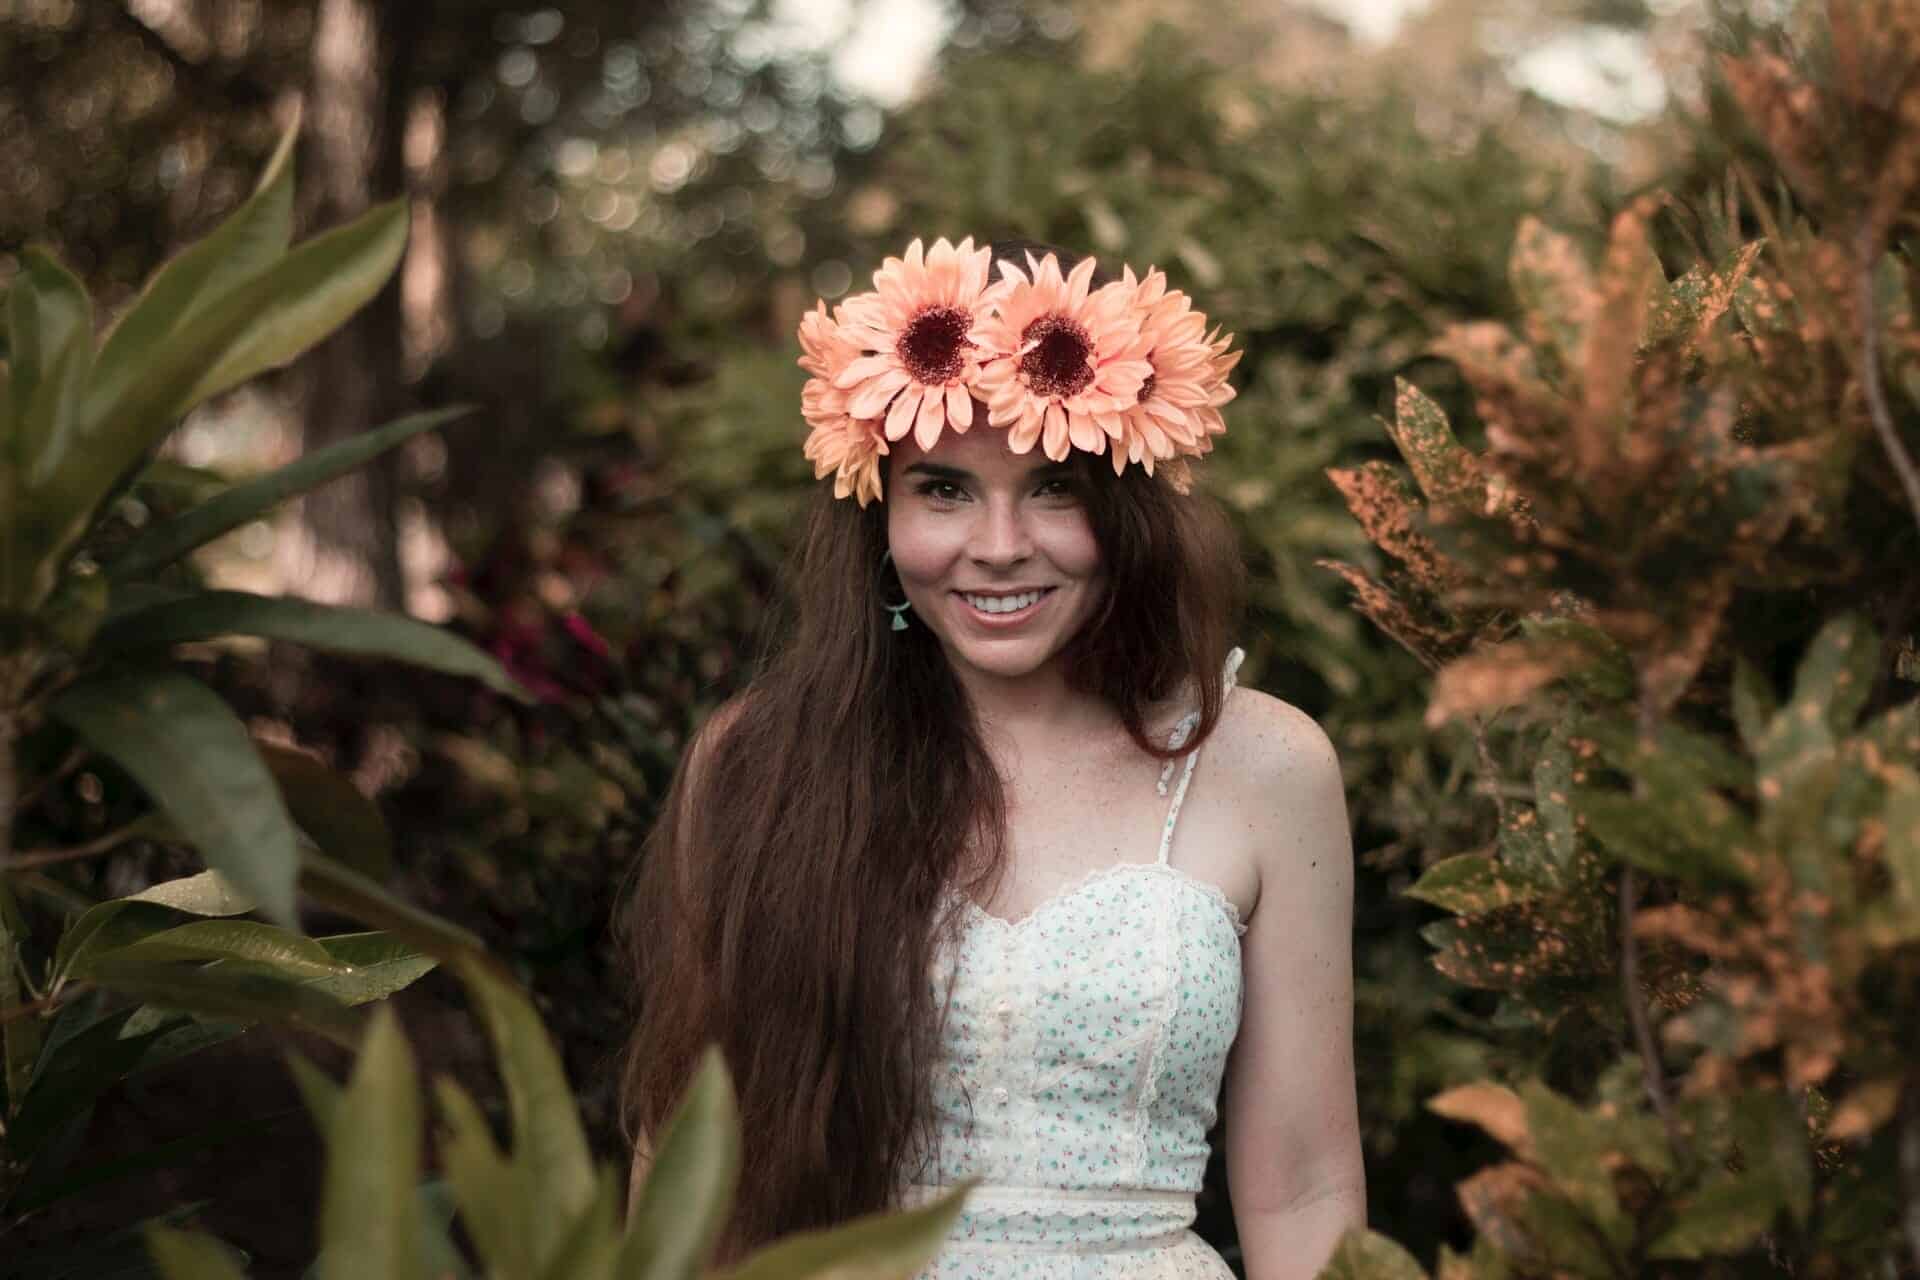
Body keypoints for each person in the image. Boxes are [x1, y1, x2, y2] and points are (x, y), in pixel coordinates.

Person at [616, 237, 1364, 1278]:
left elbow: (1304, 1187)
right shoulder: (757, 765)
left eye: (1055, 486)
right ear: (880, 512)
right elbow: (685, 1166)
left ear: (1129, 508)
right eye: (945, 488)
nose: (1002, 542)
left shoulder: (1264, 764)